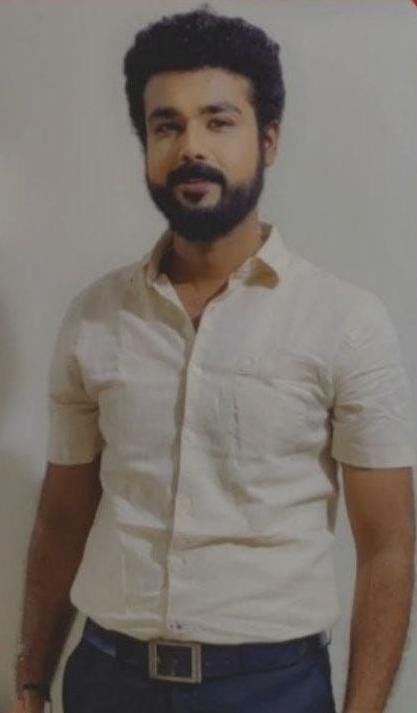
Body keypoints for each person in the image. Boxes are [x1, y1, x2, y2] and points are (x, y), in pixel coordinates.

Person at [8, 6, 416, 713]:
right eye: (166, 126)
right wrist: (29, 681)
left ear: (268, 139)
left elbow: (388, 546)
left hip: (271, 688)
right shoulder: (94, 318)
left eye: (218, 121)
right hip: (107, 679)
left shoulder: (345, 323)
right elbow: (64, 516)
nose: (190, 146)